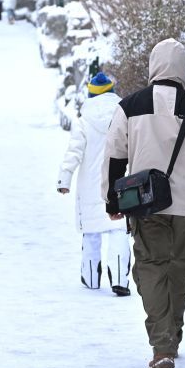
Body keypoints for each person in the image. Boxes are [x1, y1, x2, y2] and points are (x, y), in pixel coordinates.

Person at [101, 38, 185, 368]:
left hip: (146, 204)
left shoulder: (130, 106)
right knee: (178, 271)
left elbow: (115, 155)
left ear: (153, 66)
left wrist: (112, 200)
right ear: (183, 69)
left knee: (150, 268)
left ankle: (163, 345)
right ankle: (171, 335)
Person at [57, 72, 132, 296]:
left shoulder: (83, 120)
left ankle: (90, 278)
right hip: (119, 182)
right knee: (118, 230)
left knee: (91, 233)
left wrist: (64, 178)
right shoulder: (124, 116)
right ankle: (119, 279)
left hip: (91, 187)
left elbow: (74, 152)